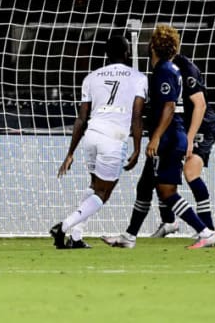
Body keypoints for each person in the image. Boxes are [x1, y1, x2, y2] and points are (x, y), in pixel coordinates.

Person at [102, 24, 215, 249]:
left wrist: (155, 138)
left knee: (166, 192)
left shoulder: (164, 70)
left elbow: (169, 106)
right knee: (145, 186)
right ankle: (129, 236)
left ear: (154, 45)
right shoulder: (170, 69)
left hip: (169, 138)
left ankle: (205, 231)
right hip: (171, 136)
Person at [50, 35, 147, 249]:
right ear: (127, 52)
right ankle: (63, 227)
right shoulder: (138, 78)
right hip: (113, 138)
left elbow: (81, 118)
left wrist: (70, 153)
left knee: (94, 186)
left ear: (106, 54)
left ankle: (76, 237)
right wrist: (138, 148)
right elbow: (137, 116)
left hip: (91, 135)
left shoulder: (91, 77)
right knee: (103, 193)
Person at [148, 52, 215, 237]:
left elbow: (200, 105)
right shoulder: (162, 67)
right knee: (164, 174)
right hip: (181, 125)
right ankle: (169, 222)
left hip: (202, 124)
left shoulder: (186, 68)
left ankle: (208, 228)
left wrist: (190, 138)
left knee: (190, 172)